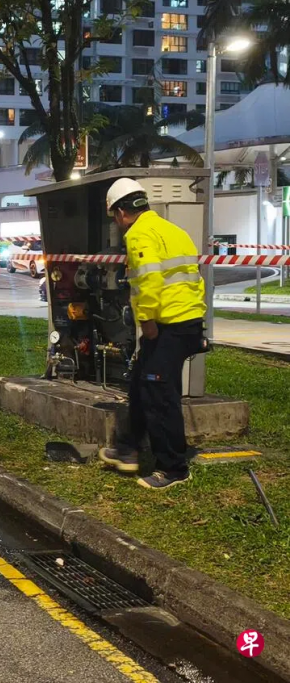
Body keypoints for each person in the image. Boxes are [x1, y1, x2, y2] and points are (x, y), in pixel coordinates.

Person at [98, 178, 208, 490]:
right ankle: (128, 448)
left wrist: (146, 321)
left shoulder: (139, 234)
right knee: (141, 383)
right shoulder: (173, 230)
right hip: (187, 321)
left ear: (120, 213)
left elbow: (148, 281)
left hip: (167, 325)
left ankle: (173, 468)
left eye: (114, 218)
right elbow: (193, 278)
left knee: (160, 395)